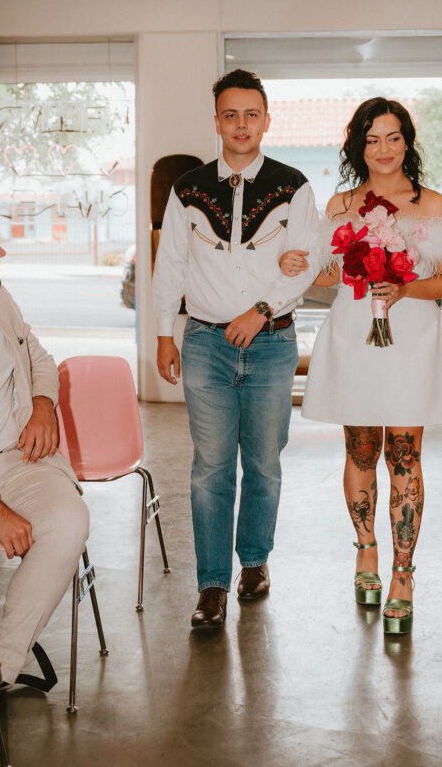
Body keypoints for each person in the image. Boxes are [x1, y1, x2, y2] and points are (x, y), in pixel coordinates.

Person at [280, 97, 442, 635]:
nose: (383, 149)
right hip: (353, 334)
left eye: (392, 137)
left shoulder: (430, 204)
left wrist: (406, 285)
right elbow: (327, 278)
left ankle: (404, 574)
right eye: (371, 139)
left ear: (407, 141)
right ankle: (365, 549)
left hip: (411, 334)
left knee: (405, 455)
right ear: (357, 146)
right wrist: (299, 264)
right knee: (361, 448)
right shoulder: (341, 206)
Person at [152, 69, 319, 630]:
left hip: (272, 345)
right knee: (210, 470)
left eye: (252, 114)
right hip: (204, 343)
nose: (241, 124)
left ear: (267, 121)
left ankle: (254, 563)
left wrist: (263, 309)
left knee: (265, 465)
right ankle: (212, 585)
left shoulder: (294, 186)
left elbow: (309, 260)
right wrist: (161, 334)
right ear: (217, 120)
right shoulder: (189, 188)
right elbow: (169, 264)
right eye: (231, 114)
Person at [0, 208, 89, 687]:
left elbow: (39, 356)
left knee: (69, 522)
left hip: (19, 457)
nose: (2, 252)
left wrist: (43, 404)